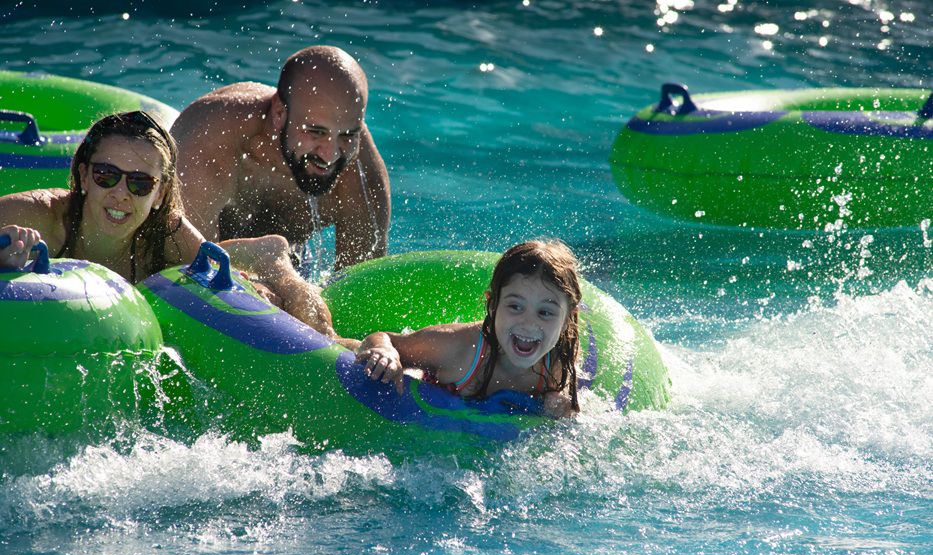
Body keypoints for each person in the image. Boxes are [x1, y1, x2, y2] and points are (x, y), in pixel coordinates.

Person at [0, 110, 341, 341]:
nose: (120, 194)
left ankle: (267, 254)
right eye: (106, 175)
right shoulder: (37, 217)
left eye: (139, 184)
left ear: (160, 193)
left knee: (263, 295)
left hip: (169, 265)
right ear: (85, 176)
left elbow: (270, 318)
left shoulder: (165, 235)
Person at [171, 45, 391, 273]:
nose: (330, 155)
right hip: (217, 253)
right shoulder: (211, 141)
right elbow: (191, 270)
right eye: (316, 132)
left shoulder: (362, 175)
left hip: (292, 261)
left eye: (347, 136)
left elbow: (358, 288)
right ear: (279, 114)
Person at [355, 240, 582, 418]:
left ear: (566, 320)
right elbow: (384, 338)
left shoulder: (559, 361)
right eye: (515, 306)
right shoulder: (460, 348)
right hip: (429, 386)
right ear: (492, 305)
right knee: (347, 344)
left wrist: (555, 397)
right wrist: (386, 352)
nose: (529, 324)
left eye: (545, 312)